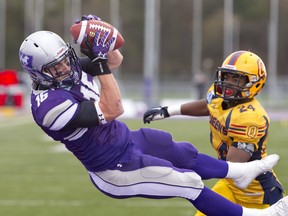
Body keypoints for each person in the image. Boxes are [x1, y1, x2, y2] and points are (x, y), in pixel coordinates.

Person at [18, 14, 288, 215]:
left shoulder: (69, 70)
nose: (65, 67)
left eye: (66, 58)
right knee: (188, 183)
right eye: (56, 67)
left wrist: (103, 39)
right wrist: (99, 63)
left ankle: (239, 171)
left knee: (179, 150)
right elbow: (113, 108)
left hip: (125, 141)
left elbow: (114, 61)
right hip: (113, 169)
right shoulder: (49, 106)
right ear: (38, 72)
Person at [143, 50, 285, 215]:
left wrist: (189, 165)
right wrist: (169, 111)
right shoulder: (220, 97)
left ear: (254, 83)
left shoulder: (250, 116)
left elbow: (233, 165)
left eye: (236, 79)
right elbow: (208, 106)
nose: (227, 83)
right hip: (230, 183)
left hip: (257, 193)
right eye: (226, 76)